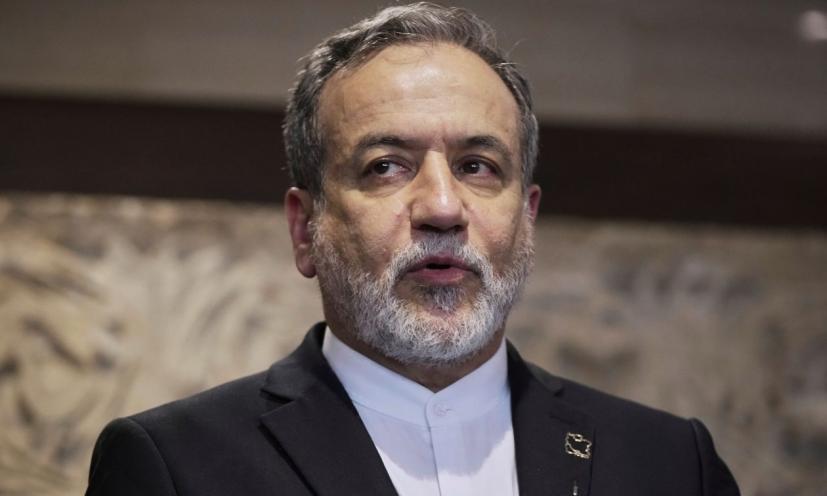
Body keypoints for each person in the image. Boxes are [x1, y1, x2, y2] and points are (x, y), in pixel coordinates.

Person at [85, 3, 740, 495]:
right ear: (305, 229)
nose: (443, 208)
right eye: (385, 167)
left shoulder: (668, 463)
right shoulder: (175, 465)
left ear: (527, 219)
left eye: (478, 166)